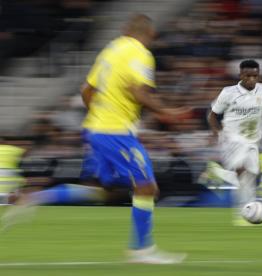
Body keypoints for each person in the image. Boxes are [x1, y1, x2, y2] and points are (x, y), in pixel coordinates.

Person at [2, 14, 187, 263]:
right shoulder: (140, 53)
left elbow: (86, 90)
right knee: (146, 187)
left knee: (105, 192)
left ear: (126, 30)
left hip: (95, 130)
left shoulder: (109, 51)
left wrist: (99, 116)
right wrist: (165, 112)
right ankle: (141, 250)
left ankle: (33, 198)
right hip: (116, 133)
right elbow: (137, 90)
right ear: (149, 34)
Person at [208, 59, 262, 226]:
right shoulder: (228, 92)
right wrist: (218, 134)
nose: (251, 79)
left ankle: (243, 212)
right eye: (247, 76)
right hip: (232, 137)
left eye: (255, 76)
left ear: (259, 75)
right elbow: (213, 115)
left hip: (252, 139)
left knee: (251, 178)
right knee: (243, 173)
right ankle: (245, 213)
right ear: (240, 75)